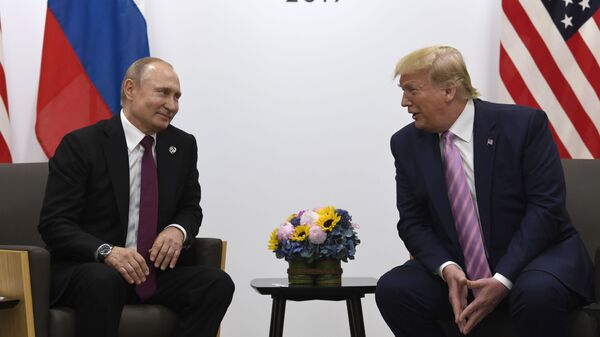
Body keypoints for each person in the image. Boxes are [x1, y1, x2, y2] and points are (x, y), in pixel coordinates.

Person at [375, 46, 593, 337]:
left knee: (536, 294)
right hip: (461, 270)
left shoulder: (523, 125)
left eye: (411, 90)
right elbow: (413, 222)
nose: (404, 102)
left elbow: (546, 209)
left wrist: (503, 279)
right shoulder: (406, 144)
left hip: (536, 259)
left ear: (449, 91)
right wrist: (447, 268)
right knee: (395, 290)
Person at [39, 57, 234, 337]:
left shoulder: (183, 145)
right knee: (103, 280)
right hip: (91, 268)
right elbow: (54, 224)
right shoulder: (82, 145)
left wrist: (177, 230)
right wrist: (106, 251)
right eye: (163, 93)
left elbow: (190, 208)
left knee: (216, 283)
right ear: (130, 90)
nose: (172, 105)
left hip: (152, 273)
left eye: (177, 96)